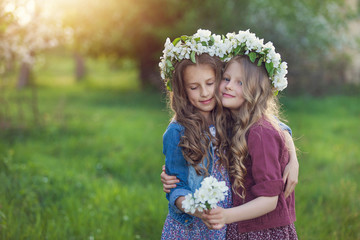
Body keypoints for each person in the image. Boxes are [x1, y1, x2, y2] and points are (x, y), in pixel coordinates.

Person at [202, 54, 298, 239]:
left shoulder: (260, 133)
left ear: (256, 91)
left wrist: (226, 215)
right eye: (227, 79)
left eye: (241, 83)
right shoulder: (230, 118)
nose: (229, 86)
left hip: (261, 231)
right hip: (242, 225)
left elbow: (270, 200)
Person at [160, 30, 233, 239]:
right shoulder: (177, 131)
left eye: (210, 83)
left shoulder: (229, 118)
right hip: (190, 228)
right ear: (183, 90)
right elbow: (176, 189)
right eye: (194, 87)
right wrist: (197, 210)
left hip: (224, 222)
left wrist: (292, 157)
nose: (205, 93)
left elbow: (270, 126)